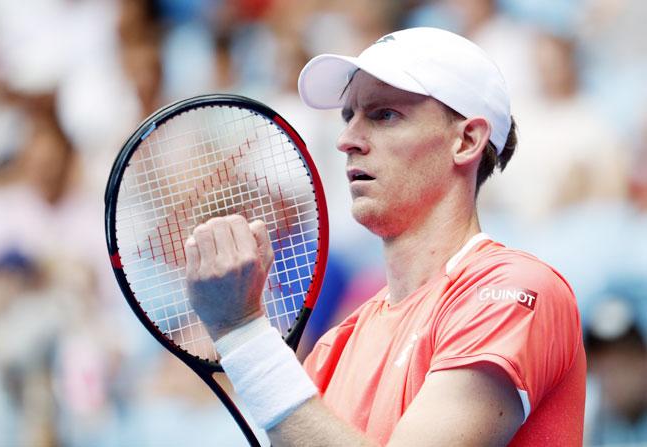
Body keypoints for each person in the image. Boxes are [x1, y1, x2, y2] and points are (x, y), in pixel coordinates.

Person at [184, 27, 586, 446]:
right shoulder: (334, 349)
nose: (346, 140)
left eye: (383, 114)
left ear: (466, 140)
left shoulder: (515, 292)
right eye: (348, 116)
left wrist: (243, 333)